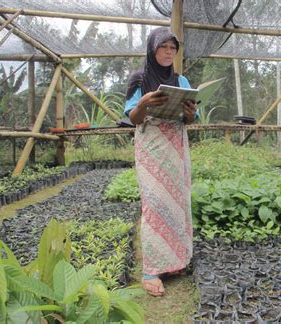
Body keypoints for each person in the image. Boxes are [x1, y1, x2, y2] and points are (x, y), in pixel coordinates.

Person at [124, 27, 197, 297]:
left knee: (177, 202)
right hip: (151, 144)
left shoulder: (181, 80)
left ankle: (174, 261)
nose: (168, 52)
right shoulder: (139, 78)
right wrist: (143, 102)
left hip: (176, 145)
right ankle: (151, 268)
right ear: (152, 49)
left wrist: (190, 112)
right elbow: (133, 118)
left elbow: (190, 120)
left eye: (172, 48)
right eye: (163, 47)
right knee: (154, 203)